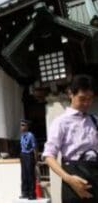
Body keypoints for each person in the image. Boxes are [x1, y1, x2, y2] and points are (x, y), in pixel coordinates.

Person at [43, 74, 98, 203]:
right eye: (82, 98)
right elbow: (49, 157)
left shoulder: (95, 121)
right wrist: (69, 179)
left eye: (90, 99)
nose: (86, 103)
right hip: (73, 178)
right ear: (70, 94)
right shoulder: (61, 122)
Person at [19, 119, 37, 200]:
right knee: (24, 175)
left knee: (30, 175)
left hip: (29, 155)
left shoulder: (30, 135)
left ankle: (32, 194)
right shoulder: (22, 135)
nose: (21, 127)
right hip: (23, 155)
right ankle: (25, 193)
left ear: (27, 126)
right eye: (21, 125)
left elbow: (35, 148)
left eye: (23, 125)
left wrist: (35, 159)